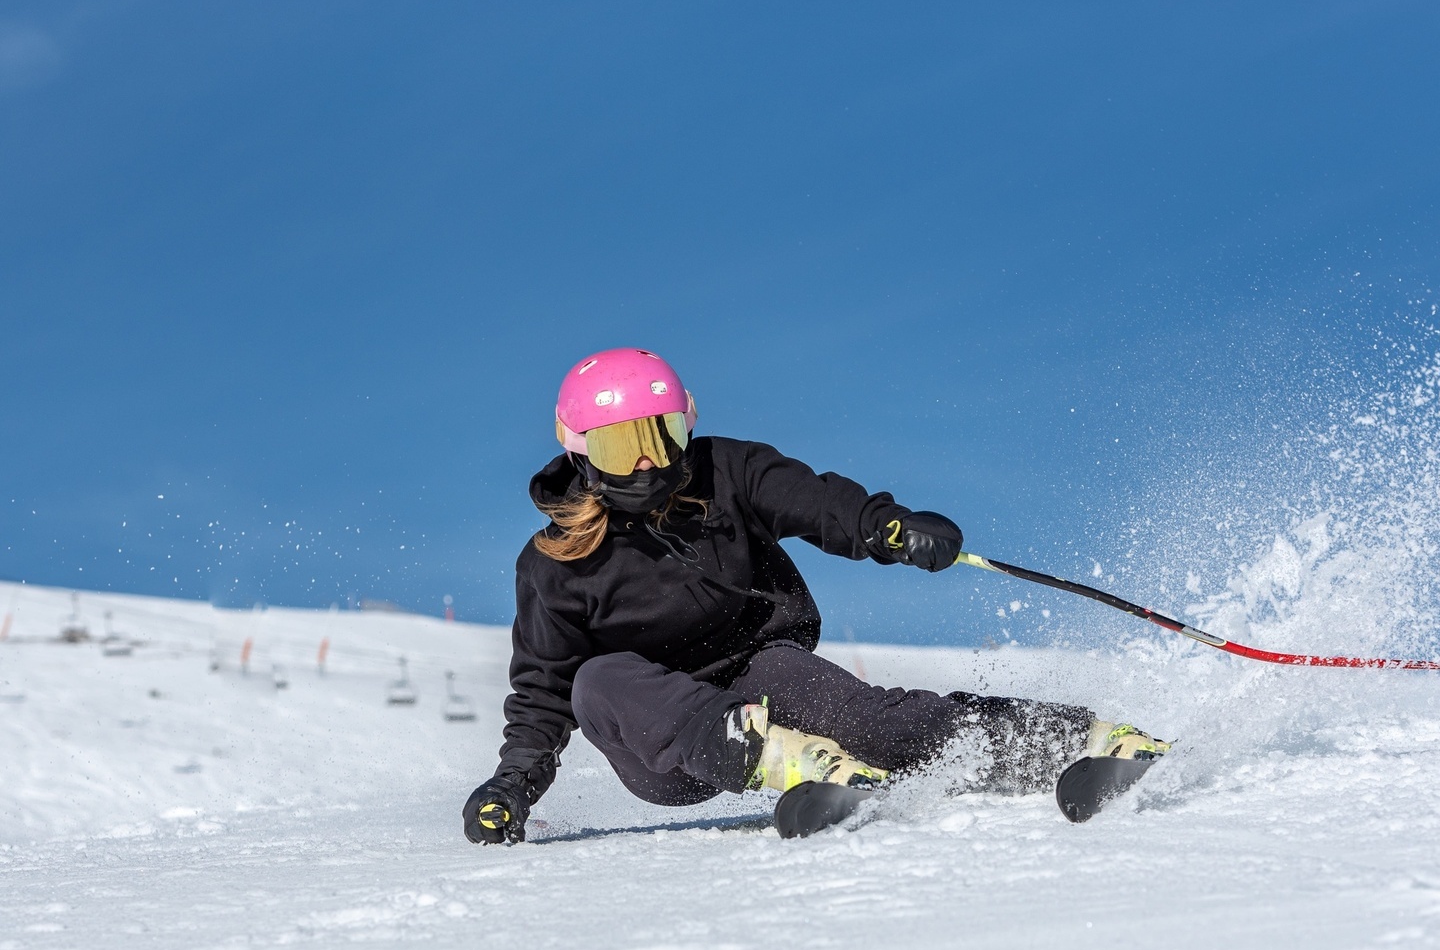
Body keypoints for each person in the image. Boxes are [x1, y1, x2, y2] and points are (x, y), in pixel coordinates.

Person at [462, 348, 1166, 845]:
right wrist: (511, 786)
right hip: (666, 746)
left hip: (762, 676)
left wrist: (884, 527)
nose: (647, 461)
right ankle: (780, 758)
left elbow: (813, 500)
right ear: (580, 454)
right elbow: (545, 694)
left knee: (877, 721)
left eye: (661, 435)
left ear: (687, 427)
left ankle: (1081, 738)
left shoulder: (724, 472)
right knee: (595, 679)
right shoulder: (554, 563)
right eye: (621, 449)